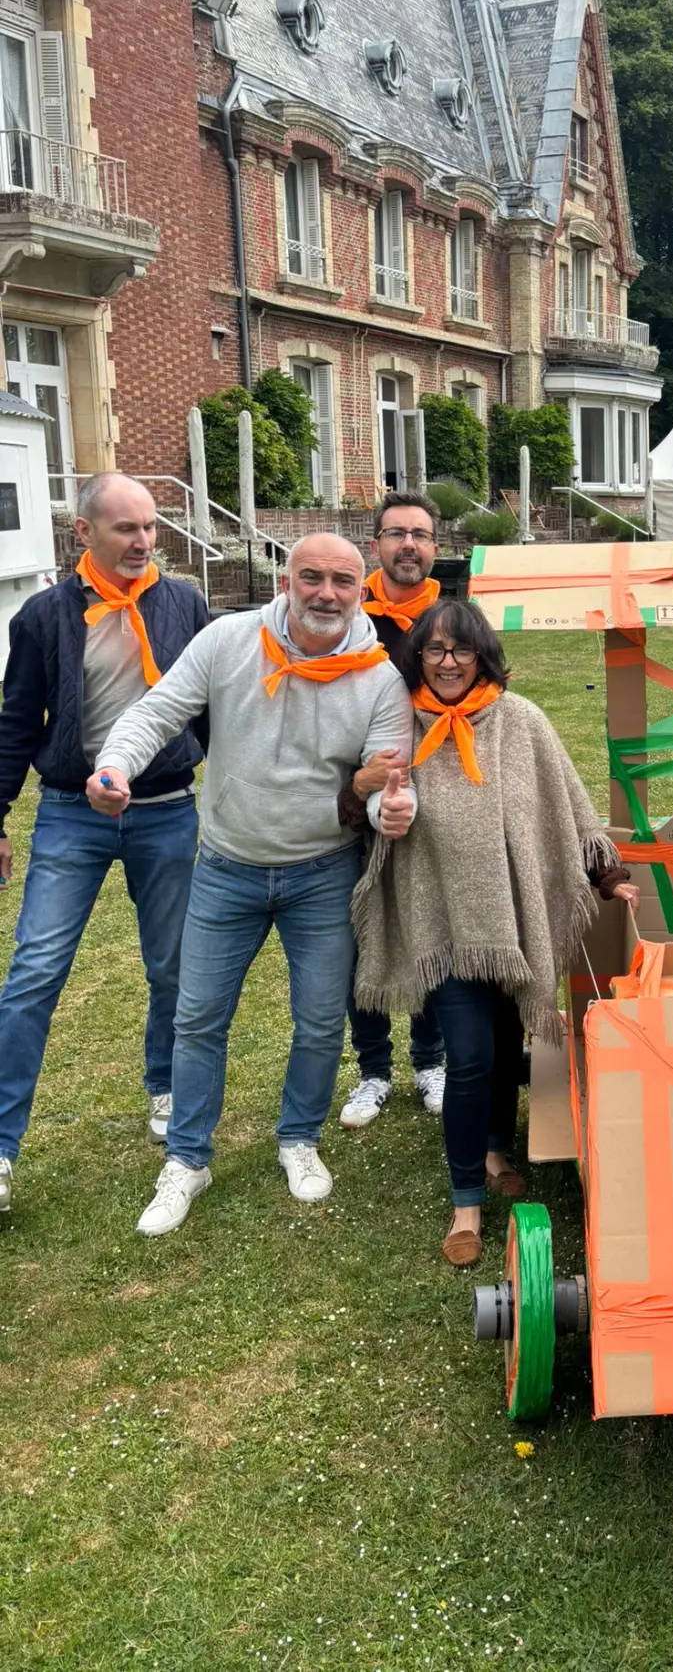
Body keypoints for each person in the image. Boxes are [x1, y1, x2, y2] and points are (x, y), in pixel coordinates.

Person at [89, 534, 415, 1236]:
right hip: (226, 865)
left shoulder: (381, 678)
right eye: (310, 576)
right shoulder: (227, 640)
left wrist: (391, 804)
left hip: (323, 870)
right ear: (285, 579)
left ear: (362, 589)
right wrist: (116, 765)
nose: (325, 592)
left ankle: (298, 1137)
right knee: (198, 1017)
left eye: (342, 581)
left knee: (322, 1019)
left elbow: (388, 775)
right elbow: (157, 711)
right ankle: (187, 1158)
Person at [352, 597, 638, 1268]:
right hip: (443, 925)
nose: (448, 661)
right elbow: (356, 799)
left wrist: (608, 876)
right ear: (417, 656)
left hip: (515, 924)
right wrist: (372, 800)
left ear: (482, 655)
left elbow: (567, 806)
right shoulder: (399, 723)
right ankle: (466, 1203)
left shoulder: (520, 721)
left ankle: (493, 1149)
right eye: (434, 650)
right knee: (473, 1056)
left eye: (461, 649)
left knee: (510, 1048)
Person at [0, 474, 209, 1215]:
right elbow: (18, 721)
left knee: (173, 966)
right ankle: (0, 1147)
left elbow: (212, 704)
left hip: (165, 811)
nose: (143, 542)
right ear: (82, 533)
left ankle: (165, 1087)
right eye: (125, 528)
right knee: (34, 972)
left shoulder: (183, 603)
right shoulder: (43, 616)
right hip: (69, 814)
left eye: (151, 526)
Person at [339, 490, 447, 1128]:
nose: (409, 545)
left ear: (435, 548)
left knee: (429, 930)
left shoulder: (454, 620)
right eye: (396, 533)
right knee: (364, 935)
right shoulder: (347, 616)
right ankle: (373, 1070)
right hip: (353, 798)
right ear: (375, 544)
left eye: (421, 535)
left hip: (434, 800)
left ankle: (429, 1061)